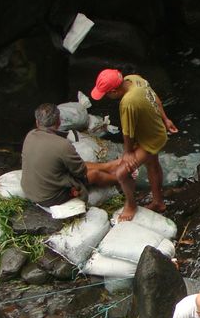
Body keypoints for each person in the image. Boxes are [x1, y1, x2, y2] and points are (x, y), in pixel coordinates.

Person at [90, 68, 178, 220]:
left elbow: (127, 132)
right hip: (154, 130)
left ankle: (131, 205)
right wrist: (165, 119)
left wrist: (128, 152)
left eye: (107, 94)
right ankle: (158, 202)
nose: (107, 97)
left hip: (150, 139)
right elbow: (154, 98)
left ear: (114, 91)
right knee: (152, 165)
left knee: (122, 173)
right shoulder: (134, 79)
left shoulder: (128, 102)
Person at [20, 103, 121, 205]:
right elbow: (81, 173)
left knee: (78, 164)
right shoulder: (62, 144)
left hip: (29, 190)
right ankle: (121, 180)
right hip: (50, 197)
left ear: (37, 122)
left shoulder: (30, 135)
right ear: (59, 121)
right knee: (94, 174)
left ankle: (108, 166)